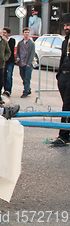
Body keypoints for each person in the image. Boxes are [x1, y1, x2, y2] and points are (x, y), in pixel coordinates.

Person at [52, 13, 70, 146]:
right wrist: (59, 75)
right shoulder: (65, 41)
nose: (66, 27)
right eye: (65, 25)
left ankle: (63, 135)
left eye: (68, 25)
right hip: (63, 76)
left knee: (67, 106)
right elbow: (63, 58)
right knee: (67, 105)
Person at [16, 27, 35, 98]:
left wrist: (29, 63)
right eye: (25, 32)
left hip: (27, 64)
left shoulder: (31, 43)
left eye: (28, 32)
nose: (26, 34)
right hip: (21, 63)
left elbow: (32, 53)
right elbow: (18, 52)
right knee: (23, 77)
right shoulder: (20, 43)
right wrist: (17, 57)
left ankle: (25, 91)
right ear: (23, 33)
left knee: (27, 78)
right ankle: (28, 89)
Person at [2, 27, 16, 97]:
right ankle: (4, 89)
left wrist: (5, 41)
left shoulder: (12, 40)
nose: (3, 34)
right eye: (3, 32)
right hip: (3, 61)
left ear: (8, 34)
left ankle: (8, 90)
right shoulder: (1, 40)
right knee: (3, 76)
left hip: (10, 61)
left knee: (9, 75)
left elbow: (9, 49)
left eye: (5, 33)